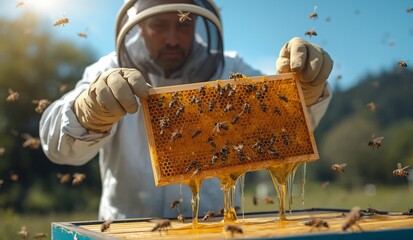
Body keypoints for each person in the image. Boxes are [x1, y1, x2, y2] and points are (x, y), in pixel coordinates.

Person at [39, 0, 333, 220]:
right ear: (139, 24)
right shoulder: (108, 69)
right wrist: (88, 111)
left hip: (220, 227)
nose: (171, 38)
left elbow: (284, 131)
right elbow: (57, 148)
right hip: (126, 229)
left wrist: (304, 94)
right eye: (158, 26)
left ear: (199, 21)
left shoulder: (232, 69)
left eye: (183, 23)